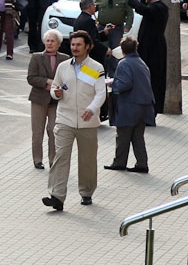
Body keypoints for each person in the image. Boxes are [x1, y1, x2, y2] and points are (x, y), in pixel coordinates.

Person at [42, 31, 106, 211]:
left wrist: (92, 109)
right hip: (65, 119)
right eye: (73, 45)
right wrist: (56, 93)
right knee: (60, 157)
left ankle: (86, 192)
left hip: (87, 122)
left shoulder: (95, 67)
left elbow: (101, 93)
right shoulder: (63, 67)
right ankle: (57, 196)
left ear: (87, 46)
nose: (75, 48)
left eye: (78, 45)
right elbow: (54, 88)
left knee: (87, 160)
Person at [105, 36, 155, 174]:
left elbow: (125, 83)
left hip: (129, 105)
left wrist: (113, 84)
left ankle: (119, 162)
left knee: (123, 135)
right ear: (135, 47)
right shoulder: (141, 62)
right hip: (144, 105)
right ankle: (142, 164)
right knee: (138, 136)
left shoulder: (124, 63)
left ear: (122, 50)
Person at [27, 30, 70, 170]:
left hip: (56, 101)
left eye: (53, 41)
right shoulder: (36, 57)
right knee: (37, 131)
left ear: (58, 43)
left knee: (53, 131)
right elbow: (31, 78)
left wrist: (60, 88)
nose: (50, 43)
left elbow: (69, 79)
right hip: (39, 99)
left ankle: (53, 159)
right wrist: (47, 82)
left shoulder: (65, 59)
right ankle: (37, 159)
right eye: (48, 41)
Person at [128, 0, 167, 114]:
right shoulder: (157, 7)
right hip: (150, 46)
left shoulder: (158, 8)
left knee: (152, 78)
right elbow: (145, 8)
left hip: (153, 49)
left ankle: (152, 110)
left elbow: (143, 9)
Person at [94, 0, 132, 75]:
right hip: (102, 28)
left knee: (115, 52)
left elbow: (130, 13)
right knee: (103, 51)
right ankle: (102, 73)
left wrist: (127, 26)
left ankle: (114, 74)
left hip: (117, 29)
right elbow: (93, 9)